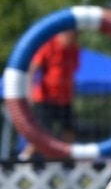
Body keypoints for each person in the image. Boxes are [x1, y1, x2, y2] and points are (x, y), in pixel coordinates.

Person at [19, 30, 80, 160]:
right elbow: (33, 69)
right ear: (64, 33)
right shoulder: (49, 46)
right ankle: (24, 157)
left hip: (64, 100)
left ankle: (65, 160)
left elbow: (72, 73)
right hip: (45, 98)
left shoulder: (74, 50)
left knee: (70, 129)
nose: (75, 38)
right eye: (73, 35)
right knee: (42, 132)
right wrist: (29, 92)